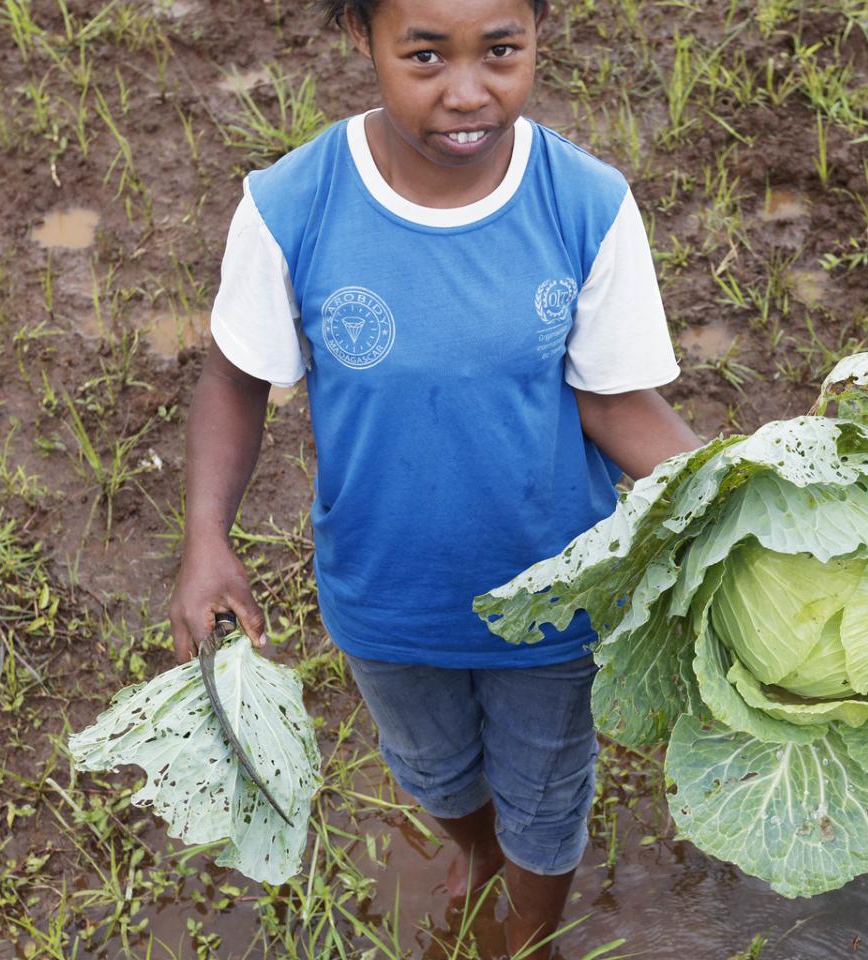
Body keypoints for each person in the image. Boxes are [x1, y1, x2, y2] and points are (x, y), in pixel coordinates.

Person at [166, 0, 702, 953]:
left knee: (546, 794)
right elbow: (237, 379)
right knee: (435, 771)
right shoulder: (294, 205)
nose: (467, 91)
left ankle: (528, 923)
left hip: (554, 602)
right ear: (361, 40)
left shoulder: (584, 204)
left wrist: (752, 503)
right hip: (386, 602)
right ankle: (478, 853)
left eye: (502, 51)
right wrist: (207, 537)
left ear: (539, 33)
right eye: (424, 55)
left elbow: (616, 403)